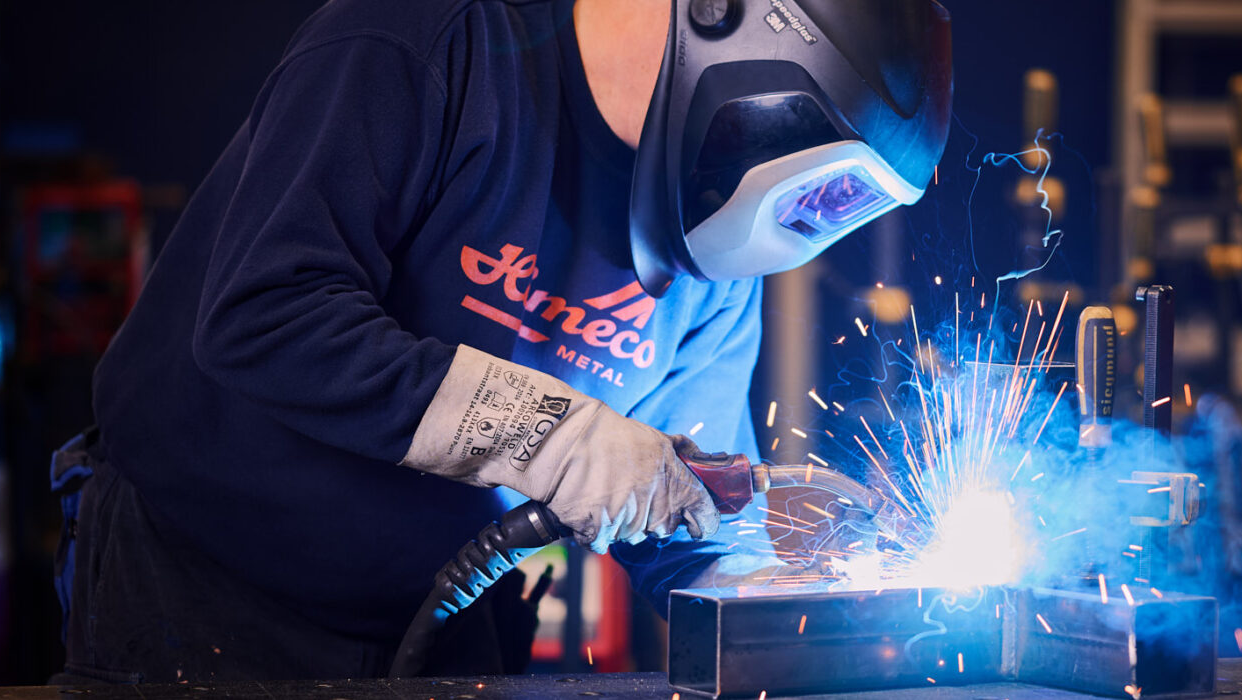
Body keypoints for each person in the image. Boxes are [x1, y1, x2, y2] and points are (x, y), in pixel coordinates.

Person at [51, 0, 950, 683]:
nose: (805, 223)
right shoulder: (425, 42)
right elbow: (264, 314)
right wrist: (552, 435)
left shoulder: (709, 276)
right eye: (820, 187)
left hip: (437, 625)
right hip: (192, 587)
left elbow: (689, 523)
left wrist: (799, 608)